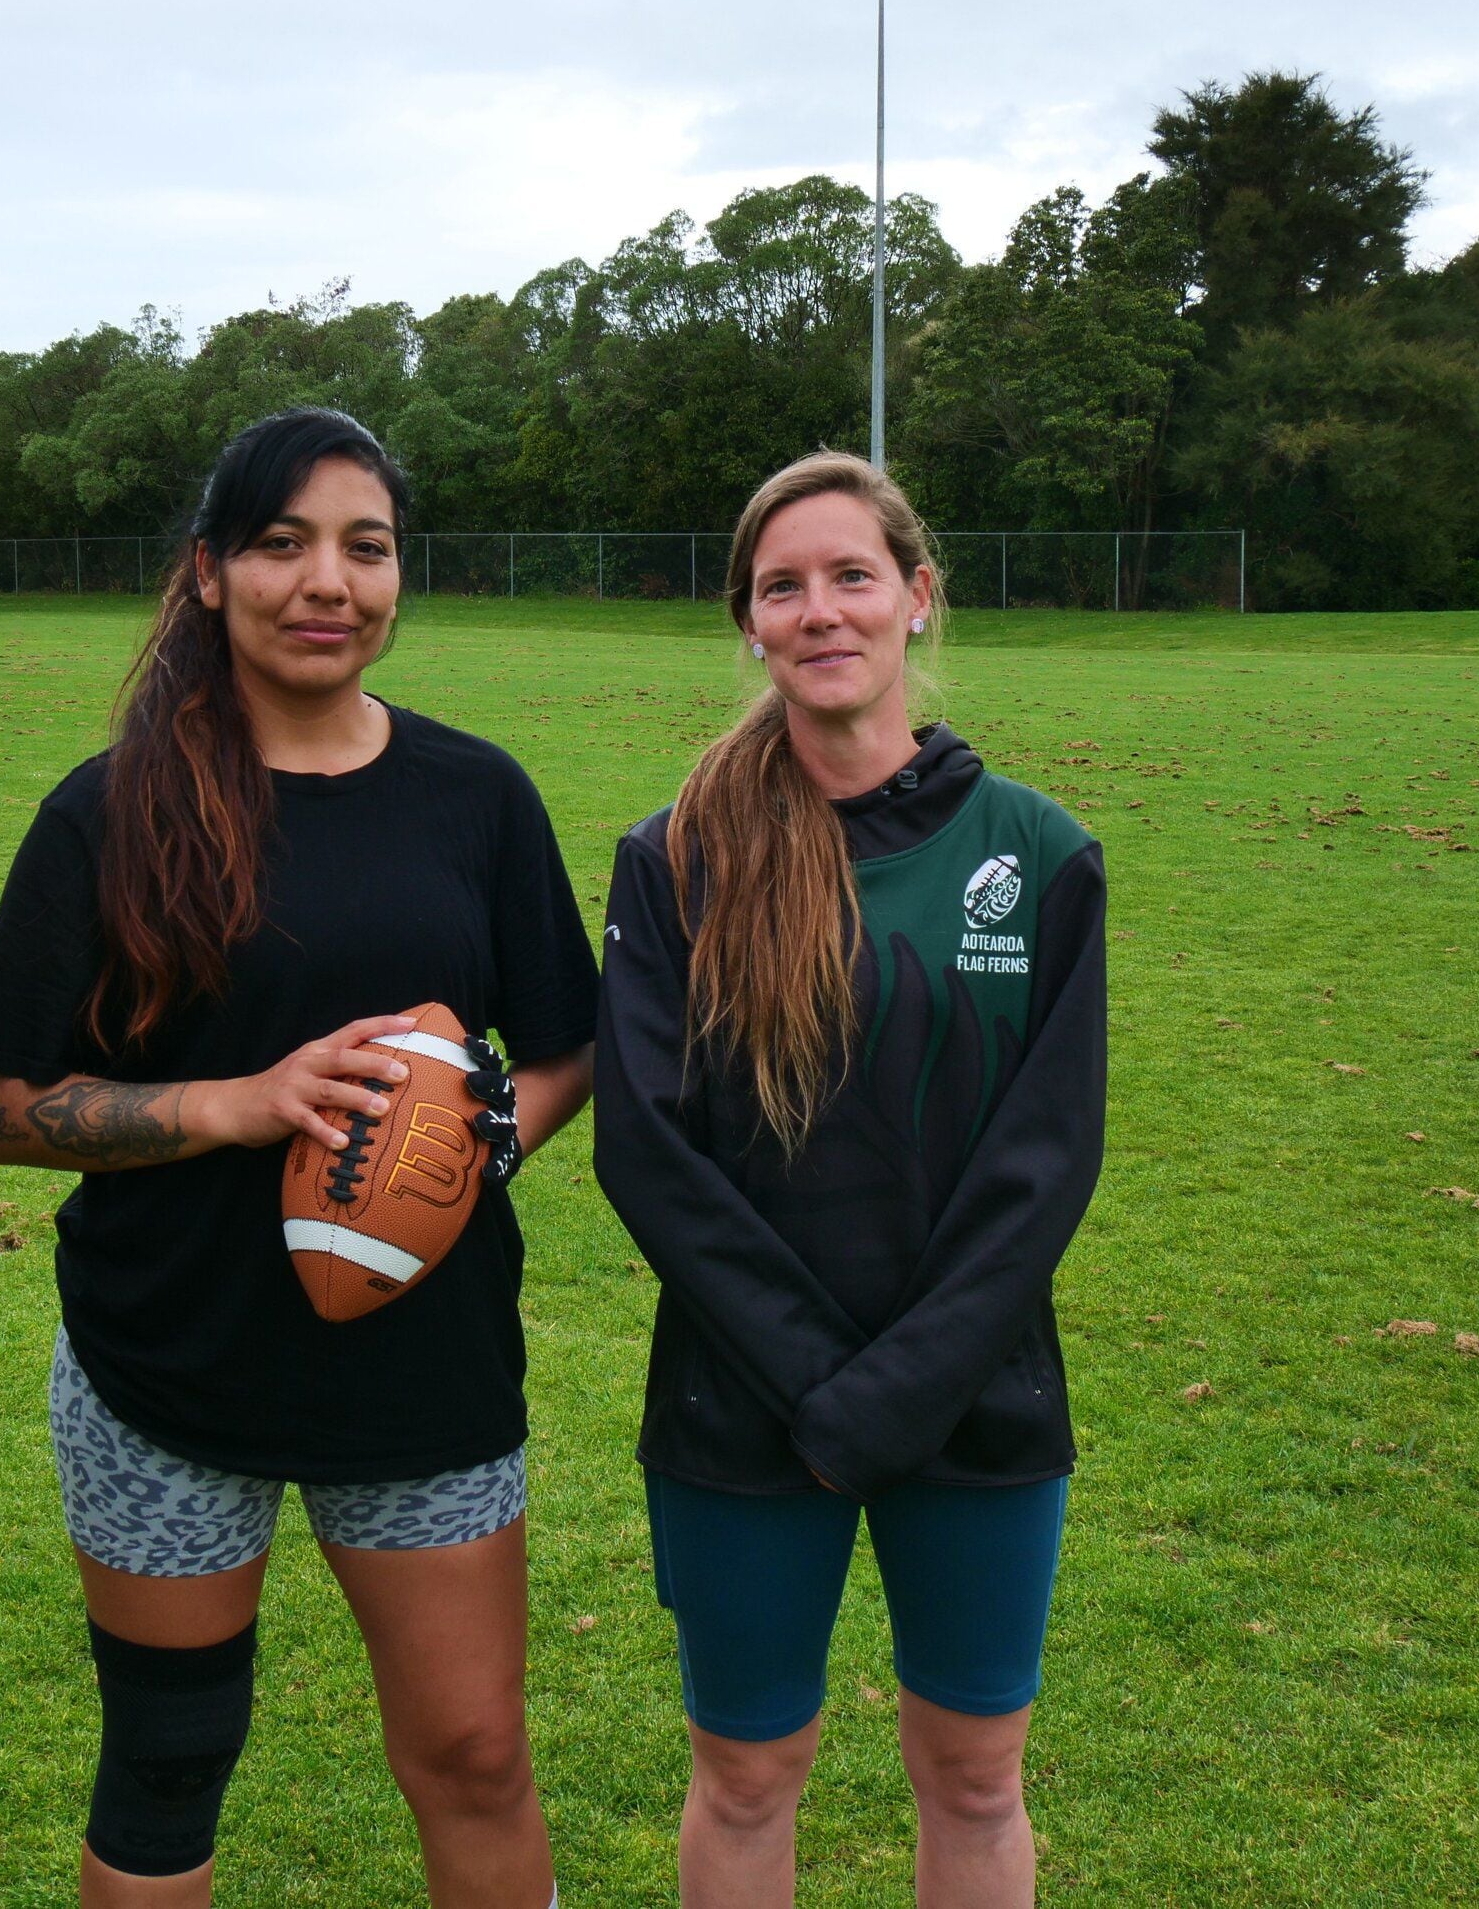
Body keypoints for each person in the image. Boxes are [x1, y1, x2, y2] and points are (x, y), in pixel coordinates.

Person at [0, 408, 597, 1909]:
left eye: (364, 547)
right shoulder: (109, 808)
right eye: (282, 543)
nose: (328, 581)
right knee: (169, 1761)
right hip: (167, 1364)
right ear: (209, 575)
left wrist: (481, 1149)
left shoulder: (475, 795)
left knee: (477, 1750)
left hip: (420, 1364)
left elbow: (562, 1050)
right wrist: (234, 1105)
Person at [594, 454, 1108, 1909]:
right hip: (746, 1409)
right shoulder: (676, 857)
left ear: (917, 598)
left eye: (851, 575)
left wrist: (894, 1392)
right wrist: (822, 1386)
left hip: (978, 1403)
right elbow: (649, 1147)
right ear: (747, 625)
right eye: (782, 587)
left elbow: (1043, 1164)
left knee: (975, 1774)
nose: (819, 610)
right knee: (748, 1776)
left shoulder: (1041, 855)